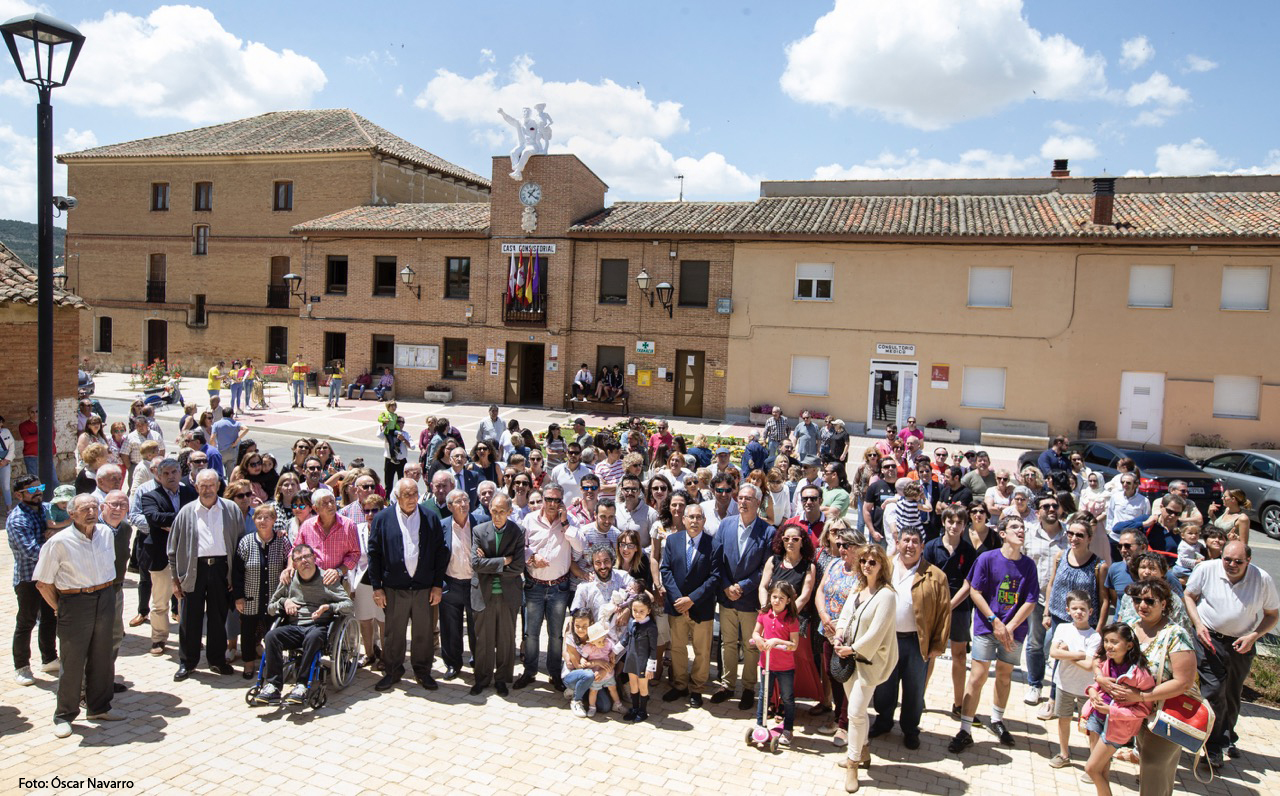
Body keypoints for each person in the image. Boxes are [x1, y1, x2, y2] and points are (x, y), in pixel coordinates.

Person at [1183, 540, 1279, 769]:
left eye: (1238, 561)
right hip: (1208, 640)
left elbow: (1272, 614)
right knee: (1214, 692)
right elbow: (1189, 596)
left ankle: (1226, 737)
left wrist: (1254, 636)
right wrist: (1198, 624)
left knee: (1232, 695)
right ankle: (1212, 747)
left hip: (1240, 644)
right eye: (1227, 559)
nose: (1232, 565)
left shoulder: (1262, 579)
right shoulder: (1207, 569)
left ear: (1249, 561)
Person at [33, 494, 123, 737]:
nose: (91, 512)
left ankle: (98, 707)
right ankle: (64, 715)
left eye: (94, 507)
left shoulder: (105, 534)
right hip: (74, 601)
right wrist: (58, 607)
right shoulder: (58, 542)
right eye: (85, 509)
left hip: (104, 597)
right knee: (72, 662)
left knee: (103, 656)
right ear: (72, 514)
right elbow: (43, 583)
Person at [948, 517, 1039, 753]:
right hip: (986, 628)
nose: (1020, 531)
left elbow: (1030, 600)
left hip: (1014, 631)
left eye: (1022, 527)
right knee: (977, 677)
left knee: (1004, 676)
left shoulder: (1029, 565)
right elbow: (975, 591)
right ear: (1002, 533)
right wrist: (995, 622)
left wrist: (1009, 627)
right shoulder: (987, 558)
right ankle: (965, 729)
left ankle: (997, 720)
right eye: (1015, 527)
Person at [1112, 578, 1197, 796]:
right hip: (1129, 712)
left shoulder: (1175, 634)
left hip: (1163, 714)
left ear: (1164, 603)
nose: (1142, 605)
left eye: (1150, 601)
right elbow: (1103, 657)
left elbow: (1184, 681)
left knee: (1154, 769)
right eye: (1138, 599)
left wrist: (1140, 696)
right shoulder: (1128, 627)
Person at [869, 527, 950, 750]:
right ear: (898, 542)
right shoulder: (884, 566)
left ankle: (910, 729)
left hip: (916, 642)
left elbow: (944, 612)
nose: (910, 545)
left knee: (914, 689)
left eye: (915, 541)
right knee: (884, 684)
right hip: (887, 638)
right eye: (906, 540)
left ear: (922, 547)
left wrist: (937, 645)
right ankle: (884, 721)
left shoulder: (935, 575)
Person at [368, 478, 448, 693]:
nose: (412, 498)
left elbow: (441, 553)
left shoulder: (430, 517)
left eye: (415, 494)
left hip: (424, 588)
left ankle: (423, 671)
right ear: (397, 497)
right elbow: (374, 554)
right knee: (394, 633)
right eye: (407, 495)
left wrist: (437, 585)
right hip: (394, 588)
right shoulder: (383, 518)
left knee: (424, 633)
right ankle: (393, 671)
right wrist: (377, 587)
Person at [251, 543, 353, 705]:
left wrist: (329, 607)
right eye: (299, 559)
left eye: (307, 556)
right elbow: (270, 608)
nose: (304, 561)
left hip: (318, 627)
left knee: (313, 638)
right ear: (294, 563)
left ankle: (302, 684)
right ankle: (273, 686)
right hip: (294, 627)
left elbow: (348, 605)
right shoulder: (289, 579)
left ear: (314, 558)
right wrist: (284, 602)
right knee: (271, 636)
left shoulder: (326, 578)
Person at [833, 543, 898, 793]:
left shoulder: (887, 595)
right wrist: (839, 635)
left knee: (856, 713)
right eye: (864, 561)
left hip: (868, 660)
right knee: (857, 711)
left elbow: (877, 632)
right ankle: (864, 749)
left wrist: (852, 648)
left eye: (873, 562)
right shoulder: (858, 588)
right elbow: (846, 615)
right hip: (849, 656)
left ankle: (853, 764)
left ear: (882, 565)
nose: (867, 565)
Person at [168, 469, 242, 681]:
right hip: (194, 569)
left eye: (211, 485)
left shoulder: (231, 509)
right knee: (190, 618)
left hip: (221, 570)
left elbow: (238, 544)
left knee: (218, 618)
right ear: (196, 487)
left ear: (219, 486)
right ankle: (187, 662)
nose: (208, 489)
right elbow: (172, 549)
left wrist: (233, 576)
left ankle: (217, 660)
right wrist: (175, 579)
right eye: (203, 486)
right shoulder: (186, 512)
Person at [1038, 514, 1110, 719]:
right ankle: (1054, 699)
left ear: (1089, 538)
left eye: (1079, 534)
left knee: (1082, 662)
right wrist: (1047, 612)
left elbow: (1104, 599)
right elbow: (1052, 583)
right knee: (1057, 656)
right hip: (1060, 618)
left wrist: (1099, 628)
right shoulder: (1060, 556)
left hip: (1086, 622)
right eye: (1070, 533)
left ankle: (1081, 702)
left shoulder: (1099, 565)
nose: (1074, 538)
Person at [710, 483, 775, 709]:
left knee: (750, 645)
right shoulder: (726, 525)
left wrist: (744, 586)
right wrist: (727, 586)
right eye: (741, 498)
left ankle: (748, 687)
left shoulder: (768, 531)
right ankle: (727, 685)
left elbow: (767, 567)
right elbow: (716, 559)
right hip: (727, 597)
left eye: (749, 499)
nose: (743, 502)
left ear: (758, 503)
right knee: (727, 643)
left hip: (749, 600)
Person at [515, 483, 579, 692]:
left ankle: (554, 673)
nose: (552, 504)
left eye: (556, 500)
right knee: (531, 633)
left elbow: (580, 546)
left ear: (562, 501)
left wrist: (566, 524)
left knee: (556, 634)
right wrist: (531, 557)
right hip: (534, 586)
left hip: (559, 587)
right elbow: (520, 547)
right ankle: (530, 671)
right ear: (542, 499)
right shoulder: (529, 520)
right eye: (548, 499)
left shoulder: (568, 521)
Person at [1082, 623, 1155, 795]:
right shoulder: (1107, 663)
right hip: (1096, 718)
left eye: (1114, 642)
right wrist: (1092, 690)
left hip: (1117, 727)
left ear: (1129, 645)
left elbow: (1144, 710)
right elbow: (1099, 685)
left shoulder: (1139, 673)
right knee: (1101, 770)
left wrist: (1112, 711)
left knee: (1091, 769)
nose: (1108, 646)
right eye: (1106, 641)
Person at [660, 501, 719, 708]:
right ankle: (679, 685)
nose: (694, 521)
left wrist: (691, 599)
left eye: (699, 517)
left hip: (701, 607)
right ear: (683, 520)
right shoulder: (673, 541)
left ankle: (697, 688)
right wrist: (679, 600)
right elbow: (665, 570)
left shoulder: (713, 544)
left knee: (702, 651)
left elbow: (714, 577)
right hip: (677, 606)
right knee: (677, 648)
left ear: (704, 520)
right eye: (691, 517)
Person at [138, 459, 197, 656]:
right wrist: (181, 520)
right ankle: (158, 639)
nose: (171, 476)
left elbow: (197, 516)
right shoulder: (150, 496)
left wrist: (171, 523)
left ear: (181, 473)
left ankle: (188, 638)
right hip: (160, 556)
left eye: (175, 472)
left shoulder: (190, 493)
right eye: (166, 473)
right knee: (160, 602)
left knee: (186, 600)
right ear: (159, 476)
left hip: (187, 556)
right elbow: (154, 518)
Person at [469, 494, 525, 696]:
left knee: (505, 640)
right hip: (483, 594)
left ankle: (501, 679)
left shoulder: (518, 531)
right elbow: (475, 564)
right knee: (483, 640)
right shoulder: (478, 530)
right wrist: (503, 560)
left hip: (507, 595)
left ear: (510, 512)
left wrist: (490, 563)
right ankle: (481, 679)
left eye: (502, 511)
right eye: (494, 511)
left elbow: (518, 566)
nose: (498, 515)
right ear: (489, 509)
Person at [232, 502, 292, 678]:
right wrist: (239, 597)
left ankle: (274, 666)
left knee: (273, 634)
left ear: (274, 520)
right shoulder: (246, 541)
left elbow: (290, 559)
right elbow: (237, 572)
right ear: (254, 519)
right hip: (251, 598)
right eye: (259, 517)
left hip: (274, 598)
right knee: (248, 632)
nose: (263, 521)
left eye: (267, 517)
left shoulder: (282, 540)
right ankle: (249, 665)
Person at [9, 474, 58, 685]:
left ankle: (49, 658)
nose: (38, 492)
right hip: (28, 578)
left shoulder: (47, 509)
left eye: (40, 487)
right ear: (18, 495)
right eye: (31, 490)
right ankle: (22, 667)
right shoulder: (17, 519)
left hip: (49, 576)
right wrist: (55, 545)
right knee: (26, 622)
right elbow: (32, 551)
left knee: (50, 617)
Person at [1022, 494, 1070, 708]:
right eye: (1046, 506)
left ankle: (1057, 690)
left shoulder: (1070, 534)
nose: (1051, 509)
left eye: (1054, 505)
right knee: (1034, 643)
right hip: (1035, 598)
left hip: (1062, 601)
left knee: (1054, 644)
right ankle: (1035, 684)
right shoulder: (1029, 533)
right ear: (1037, 511)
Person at [1047, 590, 1101, 769]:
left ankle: (1093, 762)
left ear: (1090, 611)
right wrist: (1078, 655)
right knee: (1063, 718)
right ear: (1067, 610)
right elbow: (1054, 652)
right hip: (1064, 684)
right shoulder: (1063, 628)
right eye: (1074, 608)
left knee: (1090, 725)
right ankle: (1064, 753)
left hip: (1087, 688)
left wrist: (1068, 653)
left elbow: (1089, 665)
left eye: (1083, 609)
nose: (1078, 612)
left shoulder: (1094, 637)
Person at [751, 581, 801, 745]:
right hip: (766, 664)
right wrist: (758, 638)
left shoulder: (791, 619)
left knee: (787, 697)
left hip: (785, 667)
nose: (776, 601)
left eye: (781, 598)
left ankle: (788, 728)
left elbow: (794, 645)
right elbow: (756, 632)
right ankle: (761, 725)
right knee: (764, 695)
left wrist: (777, 641)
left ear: (788, 600)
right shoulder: (764, 614)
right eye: (774, 597)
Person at [620, 592, 659, 722]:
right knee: (633, 685)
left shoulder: (651, 627)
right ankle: (635, 708)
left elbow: (654, 649)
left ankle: (643, 711)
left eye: (641, 611)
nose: (637, 613)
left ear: (648, 610)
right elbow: (626, 639)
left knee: (643, 687)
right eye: (635, 610)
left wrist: (650, 667)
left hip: (643, 662)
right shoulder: (632, 622)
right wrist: (614, 651)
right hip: (631, 659)